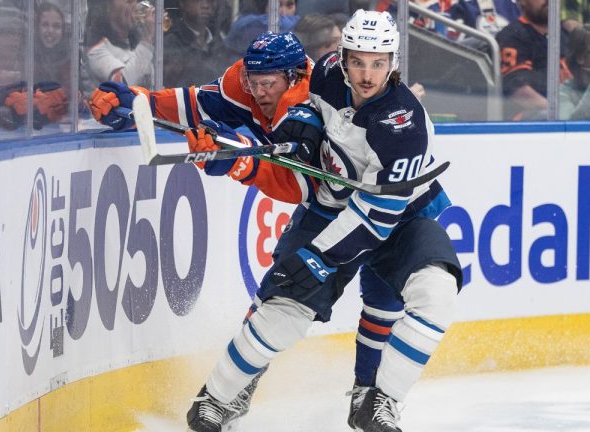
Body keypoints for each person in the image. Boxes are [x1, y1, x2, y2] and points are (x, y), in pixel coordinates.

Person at [184, 10, 462, 432]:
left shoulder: (404, 127)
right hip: (330, 206)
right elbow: (295, 105)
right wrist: (303, 123)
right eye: (358, 62)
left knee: (436, 293)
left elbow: (376, 218)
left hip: (398, 216)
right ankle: (218, 398)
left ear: (394, 62)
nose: (367, 75)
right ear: (343, 57)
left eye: (378, 63)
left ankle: (378, 401)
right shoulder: (328, 74)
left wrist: (319, 255)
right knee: (284, 307)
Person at [495, 0, 572, 119]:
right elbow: (517, 90)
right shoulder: (513, 36)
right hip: (531, 124)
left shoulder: (564, 34)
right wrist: (559, 113)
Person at [82, 0, 154, 93]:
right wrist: (147, 40)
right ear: (108, 7)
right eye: (129, 2)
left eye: (136, 1)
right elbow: (122, 84)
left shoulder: (136, 43)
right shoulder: (95, 48)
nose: (135, 7)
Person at [162, 0, 230, 87]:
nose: (205, 6)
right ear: (182, 3)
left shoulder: (219, 42)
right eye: (197, 1)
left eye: (210, 1)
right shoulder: (171, 43)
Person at [223, 0, 301, 57]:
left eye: (289, 5)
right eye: (277, 6)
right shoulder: (250, 27)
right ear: (264, 6)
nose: (283, 12)